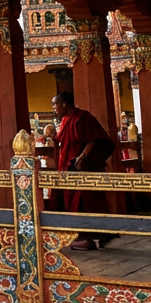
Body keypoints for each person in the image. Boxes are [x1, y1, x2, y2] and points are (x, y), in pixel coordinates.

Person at [51, 91, 115, 250]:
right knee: (69, 201)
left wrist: (81, 158)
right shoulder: (65, 120)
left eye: (55, 104)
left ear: (64, 104)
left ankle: (93, 236)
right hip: (66, 169)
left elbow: (93, 139)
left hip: (81, 169)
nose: (54, 108)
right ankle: (81, 237)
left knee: (86, 202)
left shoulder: (82, 118)